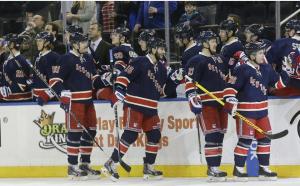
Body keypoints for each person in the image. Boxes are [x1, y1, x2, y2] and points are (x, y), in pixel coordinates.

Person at [101, 37, 181, 181]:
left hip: (151, 107)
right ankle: (111, 163)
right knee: (131, 135)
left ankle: (149, 167)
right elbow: (124, 76)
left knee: (155, 135)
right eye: (161, 48)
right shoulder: (140, 61)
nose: (163, 52)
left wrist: (175, 80)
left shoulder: (162, 69)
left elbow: (163, 92)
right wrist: (119, 89)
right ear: (153, 48)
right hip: (134, 105)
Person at [223, 42, 289, 181]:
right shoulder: (242, 70)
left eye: (262, 53)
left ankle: (264, 169)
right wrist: (231, 101)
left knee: (265, 139)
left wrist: (286, 72)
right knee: (245, 140)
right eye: (260, 53)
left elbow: (278, 85)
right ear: (252, 56)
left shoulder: (266, 68)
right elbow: (230, 89)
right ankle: (238, 170)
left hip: (262, 112)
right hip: (247, 112)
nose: (263, 56)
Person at [49, 32, 111, 179]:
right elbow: (54, 81)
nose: (86, 44)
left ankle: (84, 164)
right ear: (75, 44)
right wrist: (62, 94)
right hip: (75, 102)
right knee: (74, 134)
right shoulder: (65, 59)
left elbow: (95, 79)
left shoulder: (88, 58)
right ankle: (72, 167)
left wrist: (106, 80)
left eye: (86, 42)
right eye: (83, 42)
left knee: (91, 131)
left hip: (88, 102)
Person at [185, 31, 228, 182]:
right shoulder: (196, 60)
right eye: (212, 41)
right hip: (207, 104)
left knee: (220, 136)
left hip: (221, 104)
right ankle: (213, 168)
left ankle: (214, 167)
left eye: (215, 41)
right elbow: (189, 83)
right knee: (212, 135)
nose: (216, 43)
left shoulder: (220, 59)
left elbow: (226, 80)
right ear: (204, 43)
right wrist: (192, 99)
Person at [266, 19, 300, 96]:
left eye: (287, 31)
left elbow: (266, 62)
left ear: (292, 32)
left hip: (284, 87)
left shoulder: (282, 43)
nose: (285, 33)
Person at [1, 34, 32, 102]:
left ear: (12, 44)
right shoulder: (8, 59)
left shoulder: (21, 60)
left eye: (6, 42)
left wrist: (6, 90)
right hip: (9, 99)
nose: (4, 45)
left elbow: (22, 85)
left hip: (19, 101)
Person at [32, 31, 60, 105]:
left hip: (49, 100)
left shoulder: (55, 57)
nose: (37, 43)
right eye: (37, 40)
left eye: (40, 40)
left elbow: (57, 82)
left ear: (47, 42)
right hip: (36, 97)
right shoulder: (37, 56)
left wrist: (46, 96)